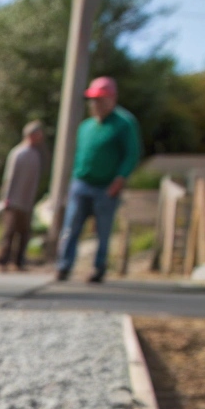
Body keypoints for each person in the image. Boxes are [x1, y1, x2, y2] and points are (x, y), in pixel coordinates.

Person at [57, 76, 141, 283]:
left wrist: (120, 180)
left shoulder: (124, 123)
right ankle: (63, 266)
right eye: (93, 100)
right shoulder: (86, 126)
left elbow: (132, 154)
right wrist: (72, 183)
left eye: (101, 99)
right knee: (71, 227)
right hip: (81, 184)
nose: (96, 104)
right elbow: (79, 156)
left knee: (103, 231)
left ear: (112, 99)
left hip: (106, 186)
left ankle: (99, 268)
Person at [0, 120, 45, 271]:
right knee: (9, 232)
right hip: (14, 199)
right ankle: (3, 260)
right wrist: (6, 197)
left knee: (24, 232)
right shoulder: (18, 153)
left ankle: (19, 261)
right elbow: (9, 177)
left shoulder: (35, 155)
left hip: (27, 200)